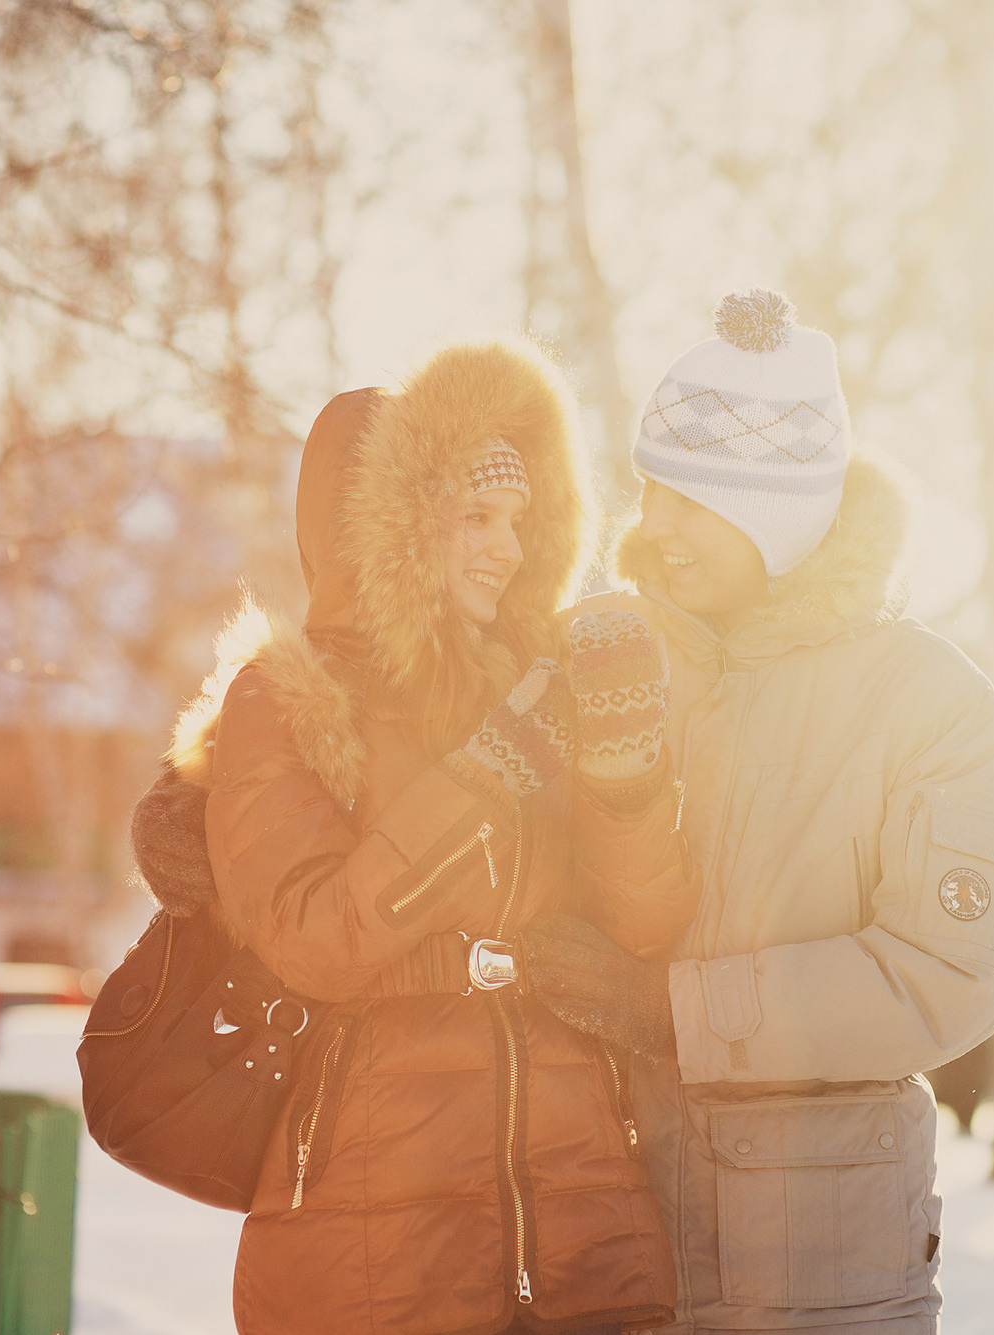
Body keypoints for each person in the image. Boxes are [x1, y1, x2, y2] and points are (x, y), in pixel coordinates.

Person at [134, 340, 698, 1335]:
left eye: (518, 520)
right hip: (376, 1237)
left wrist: (627, 778)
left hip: (581, 1220)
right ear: (390, 531)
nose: (508, 548)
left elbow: (648, 924)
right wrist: (488, 773)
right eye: (474, 517)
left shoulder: (541, 690)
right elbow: (315, 942)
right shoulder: (293, 695)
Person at [522, 290, 994, 1334]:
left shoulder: (921, 697)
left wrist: (679, 1011)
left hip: (816, 1268)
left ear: (779, 514)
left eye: (690, 500)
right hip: (602, 1237)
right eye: (648, 490)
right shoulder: (602, 654)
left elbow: (950, 969)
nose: (650, 526)